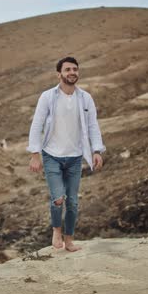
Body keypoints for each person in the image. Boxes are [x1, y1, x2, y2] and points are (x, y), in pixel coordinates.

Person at [27, 56, 106, 252]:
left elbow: (92, 126)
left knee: (72, 201)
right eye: (68, 69)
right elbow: (36, 124)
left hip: (75, 156)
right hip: (51, 154)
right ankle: (56, 231)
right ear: (59, 74)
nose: (72, 73)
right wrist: (35, 154)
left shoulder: (85, 98)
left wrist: (97, 150)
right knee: (58, 198)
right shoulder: (48, 96)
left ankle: (69, 240)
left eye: (75, 69)